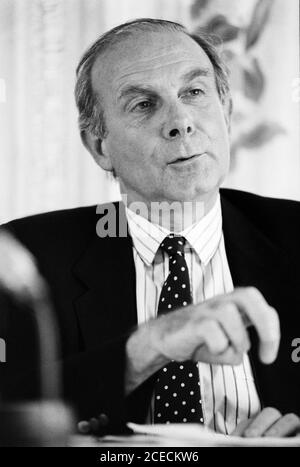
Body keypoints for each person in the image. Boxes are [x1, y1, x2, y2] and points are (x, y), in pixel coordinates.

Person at [1, 18, 300, 439]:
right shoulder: (23, 261)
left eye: (194, 93)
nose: (180, 122)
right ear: (99, 146)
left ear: (226, 110)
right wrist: (146, 347)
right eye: (143, 104)